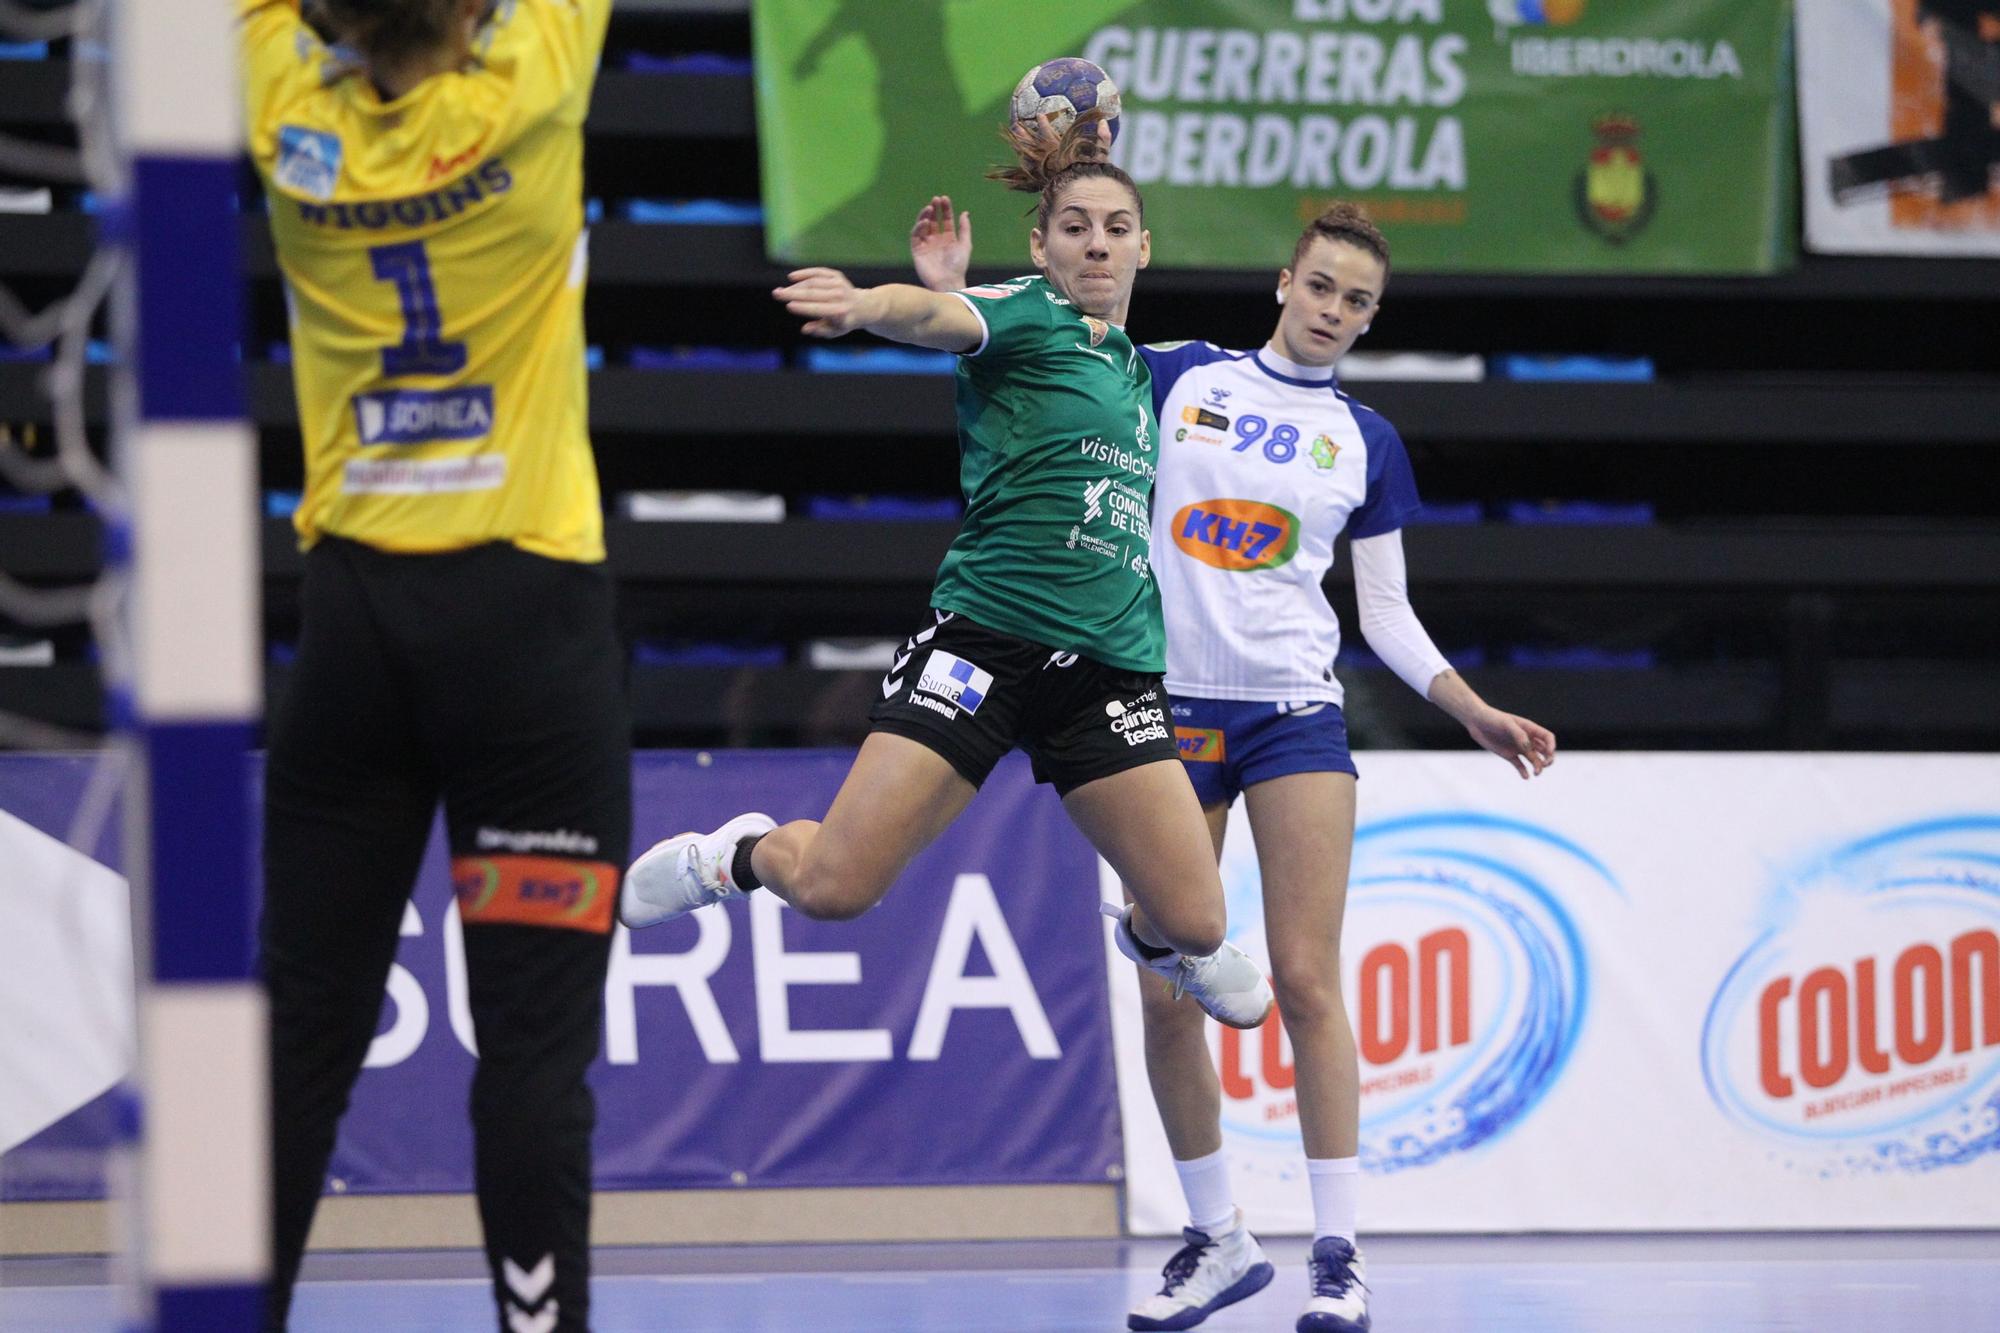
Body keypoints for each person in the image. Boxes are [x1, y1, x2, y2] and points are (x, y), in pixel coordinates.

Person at [912, 191, 1556, 1333]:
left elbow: (1388, 617)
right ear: (1281, 284)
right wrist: (953, 288)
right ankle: (1216, 1241)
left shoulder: (1366, 440)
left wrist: (1470, 706)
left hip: (1294, 714)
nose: (1332, 310)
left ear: (1368, 318)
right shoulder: (1175, 377)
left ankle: (1341, 1260)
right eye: (1317, 286)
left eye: (1356, 301)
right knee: (1171, 984)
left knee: (1306, 980)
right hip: (1159, 705)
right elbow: (1047, 340)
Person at [618, 123, 1274, 1039]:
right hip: (984, 648)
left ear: (1143, 246)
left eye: (1117, 227)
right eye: (1076, 227)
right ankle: (733, 854)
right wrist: (869, 305)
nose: (1097, 242)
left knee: (1198, 921)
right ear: (1041, 248)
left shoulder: (1134, 367)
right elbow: (941, 323)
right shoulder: (1027, 313)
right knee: (833, 889)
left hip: (1109, 671)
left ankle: (1152, 941)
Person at [238, 2, 626, 1329]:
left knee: (297, 1041)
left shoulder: (284, 112)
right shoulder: (533, 81)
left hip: (352, 628)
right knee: (532, 1049)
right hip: (528, 637)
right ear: (477, 14)